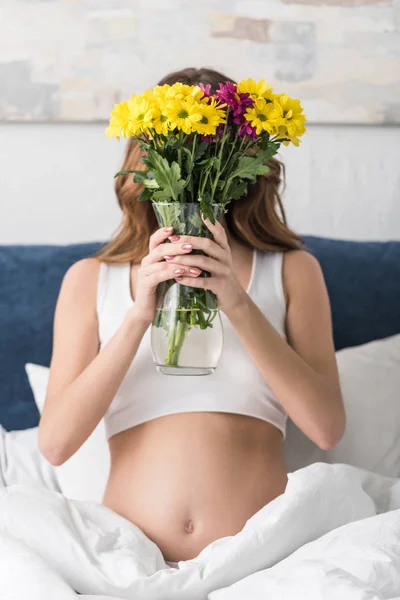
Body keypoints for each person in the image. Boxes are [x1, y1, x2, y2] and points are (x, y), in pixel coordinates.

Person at [38, 67, 345, 563]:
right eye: (181, 150)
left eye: (212, 150)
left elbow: (328, 428)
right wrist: (139, 315)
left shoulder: (293, 271)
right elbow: (53, 446)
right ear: (150, 160)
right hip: (128, 563)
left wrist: (237, 302)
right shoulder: (89, 279)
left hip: (262, 560)